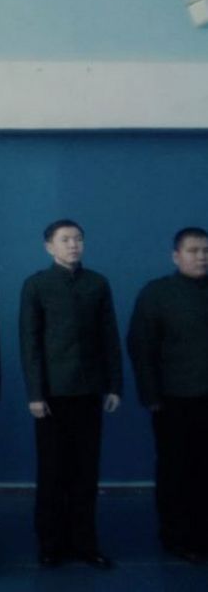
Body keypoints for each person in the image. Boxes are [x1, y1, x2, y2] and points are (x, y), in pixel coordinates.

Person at [19, 219, 121, 569]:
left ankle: (85, 543)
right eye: (65, 240)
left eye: (78, 239)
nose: (74, 245)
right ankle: (50, 544)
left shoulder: (97, 284)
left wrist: (114, 385)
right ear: (49, 247)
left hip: (90, 391)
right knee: (52, 473)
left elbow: (110, 338)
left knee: (85, 473)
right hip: (51, 396)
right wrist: (35, 393)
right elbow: (30, 344)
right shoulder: (37, 285)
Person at [127, 226, 208, 564]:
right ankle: (177, 538)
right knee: (177, 471)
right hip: (174, 399)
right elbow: (139, 345)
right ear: (176, 256)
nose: (202, 256)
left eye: (206, 250)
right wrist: (150, 394)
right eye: (193, 250)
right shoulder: (157, 293)